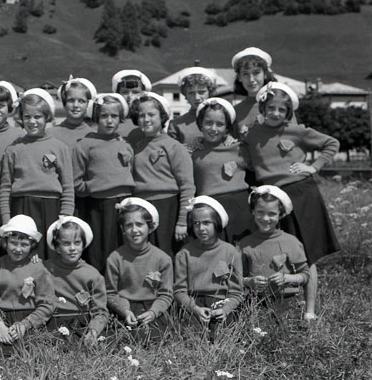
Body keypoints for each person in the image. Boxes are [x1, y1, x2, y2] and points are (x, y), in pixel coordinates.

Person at [242, 81, 340, 319]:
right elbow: (243, 158)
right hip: (273, 199)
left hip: (302, 193)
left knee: (306, 254)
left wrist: (313, 167)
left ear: (288, 112)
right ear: (262, 108)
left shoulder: (297, 131)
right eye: (271, 108)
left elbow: (331, 143)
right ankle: (281, 307)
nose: (276, 113)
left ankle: (309, 311)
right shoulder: (252, 134)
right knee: (282, 248)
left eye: (282, 110)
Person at [0, 88, 75, 258]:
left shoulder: (59, 148)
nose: (32, 121)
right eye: (27, 117)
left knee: (49, 256)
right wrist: (6, 219)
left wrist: (65, 216)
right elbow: (5, 188)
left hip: (51, 208)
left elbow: (68, 186)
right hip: (21, 206)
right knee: (23, 255)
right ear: (21, 118)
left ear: (47, 117)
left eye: (37, 117)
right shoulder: (13, 149)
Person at [127, 92, 195, 256]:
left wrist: (182, 221)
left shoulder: (174, 146)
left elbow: (187, 186)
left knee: (168, 254)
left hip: (168, 207)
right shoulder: (136, 147)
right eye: (141, 115)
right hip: (143, 208)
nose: (146, 119)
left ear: (162, 117)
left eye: (151, 115)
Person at [72, 93, 134, 271]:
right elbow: (75, 181)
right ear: (96, 118)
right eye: (104, 116)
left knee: (123, 248)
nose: (109, 121)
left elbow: (129, 173)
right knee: (100, 249)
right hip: (98, 206)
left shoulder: (125, 144)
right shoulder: (85, 144)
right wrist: (94, 187)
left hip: (124, 204)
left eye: (114, 116)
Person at [173, 196, 243, 337]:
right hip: (193, 306)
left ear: (216, 223)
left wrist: (225, 310)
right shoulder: (184, 253)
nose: (201, 228)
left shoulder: (230, 252)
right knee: (192, 339)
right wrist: (194, 309)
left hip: (221, 305)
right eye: (196, 223)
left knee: (224, 339)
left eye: (206, 223)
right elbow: (179, 291)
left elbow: (237, 292)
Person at [105, 198, 173, 338]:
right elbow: (110, 293)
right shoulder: (115, 258)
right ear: (123, 229)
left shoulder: (162, 259)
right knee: (120, 337)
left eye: (139, 224)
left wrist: (153, 312)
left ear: (150, 227)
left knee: (155, 337)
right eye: (129, 225)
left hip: (152, 307)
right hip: (125, 308)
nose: (134, 230)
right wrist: (125, 311)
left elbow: (166, 294)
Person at [0, 215, 55, 345]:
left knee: (31, 348)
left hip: (30, 320)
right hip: (1, 318)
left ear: (32, 245)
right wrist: (0, 326)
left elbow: (47, 304)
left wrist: (25, 325)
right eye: (13, 243)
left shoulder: (40, 268)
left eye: (24, 245)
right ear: (5, 242)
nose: (18, 249)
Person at [191, 98, 252, 243]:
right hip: (209, 209)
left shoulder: (239, 148)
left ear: (227, 128)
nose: (213, 129)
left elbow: (261, 163)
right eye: (208, 123)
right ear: (200, 124)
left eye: (220, 124)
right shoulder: (194, 152)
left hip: (240, 207)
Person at [240, 186, 309, 310]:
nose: (265, 218)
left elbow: (305, 275)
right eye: (260, 212)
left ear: (280, 215)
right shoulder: (245, 244)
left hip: (288, 301)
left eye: (272, 214)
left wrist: (286, 278)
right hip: (256, 303)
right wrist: (250, 282)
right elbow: (237, 278)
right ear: (253, 211)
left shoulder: (291, 242)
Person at [45, 216, 108, 345]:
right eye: (66, 243)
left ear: (83, 245)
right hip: (53, 321)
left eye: (77, 243)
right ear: (57, 247)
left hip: (81, 323)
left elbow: (100, 311)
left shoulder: (92, 274)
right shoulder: (46, 268)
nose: (72, 248)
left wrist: (94, 331)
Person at [231, 47, 277, 138]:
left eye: (256, 73)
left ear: (265, 74)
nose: (251, 79)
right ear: (239, 77)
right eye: (245, 74)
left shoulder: (280, 105)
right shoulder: (234, 112)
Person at [168, 67, 218, 147]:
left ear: (210, 92)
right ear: (185, 95)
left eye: (201, 92)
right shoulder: (176, 125)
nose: (197, 98)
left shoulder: (223, 120)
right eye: (191, 93)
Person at [52, 76, 97, 148]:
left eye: (81, 101)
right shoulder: (51, 134)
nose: (76, 105)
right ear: (64, 103)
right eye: (71, 100)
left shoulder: (94, 136)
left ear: (88, 105)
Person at [111, 69, 151, 137]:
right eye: (125, 92)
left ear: (143, 94)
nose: (130, 96)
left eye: (135, 92)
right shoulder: (111, 121)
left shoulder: (150, 121)